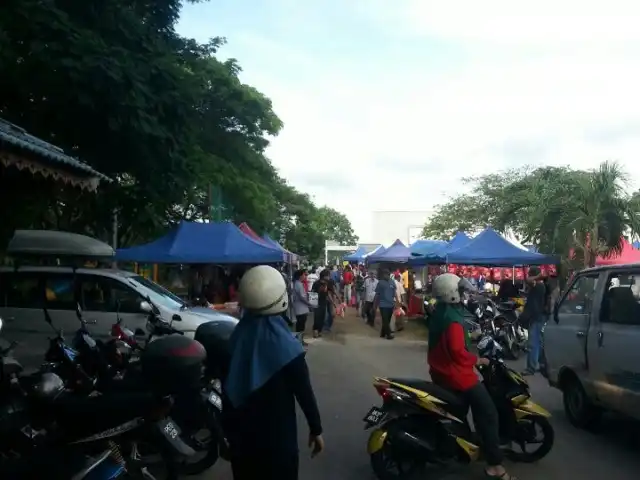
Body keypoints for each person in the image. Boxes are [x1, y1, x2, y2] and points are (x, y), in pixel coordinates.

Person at [223, 265, 324, 480]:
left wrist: (228, 436)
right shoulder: (288, 346)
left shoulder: (235, 340)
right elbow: (304, 392)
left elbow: (227, 391)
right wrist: (316, 429)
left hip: (242, 445)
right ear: (281, 298)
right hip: (279, 445)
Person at [428, 273, 516, 480]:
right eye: (459, 290)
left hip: (440, 372)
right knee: (488, 412)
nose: (462, 293)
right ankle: (495, 466)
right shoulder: (452, 320)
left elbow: (449, 342)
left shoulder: (440, 312)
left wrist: (472, 336)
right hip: (456, 375)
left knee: (460, 414)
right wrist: (478, 360)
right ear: (451, 293)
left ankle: (463, 447)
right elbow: (458, 351)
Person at [522, 267, 546, 376]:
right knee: (539, 342)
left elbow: (528, 280)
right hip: (539, 316)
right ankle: (542, 364)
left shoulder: (538, 285)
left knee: (533, 343)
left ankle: (531, 368)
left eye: (529, 274)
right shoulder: (540, 286)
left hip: (536, 317)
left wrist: (537, 276)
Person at [374, 268, 396, 340]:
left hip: (391, 304)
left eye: (386, 274)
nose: (385, 276)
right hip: (383, 304)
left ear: (388, 275)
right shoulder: (380, 283)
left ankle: (382, 333)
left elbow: (394, 293)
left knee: (387, 320)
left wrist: (396, 302)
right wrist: (375, 304)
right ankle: (389, 334)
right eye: (384, 274)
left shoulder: (392, 282)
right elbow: (377, 294)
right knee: (385, 320)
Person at [292, 269, 313, 345]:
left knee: (300, 325)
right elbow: (302, 297)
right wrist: (309, 304)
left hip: (300, 308)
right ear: (300, 276)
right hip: (300, 308)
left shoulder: (297, 283)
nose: (305, 276)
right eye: (304, 274)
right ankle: (299, 341)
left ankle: (300, 340)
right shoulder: (298, 284)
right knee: (300, 326)